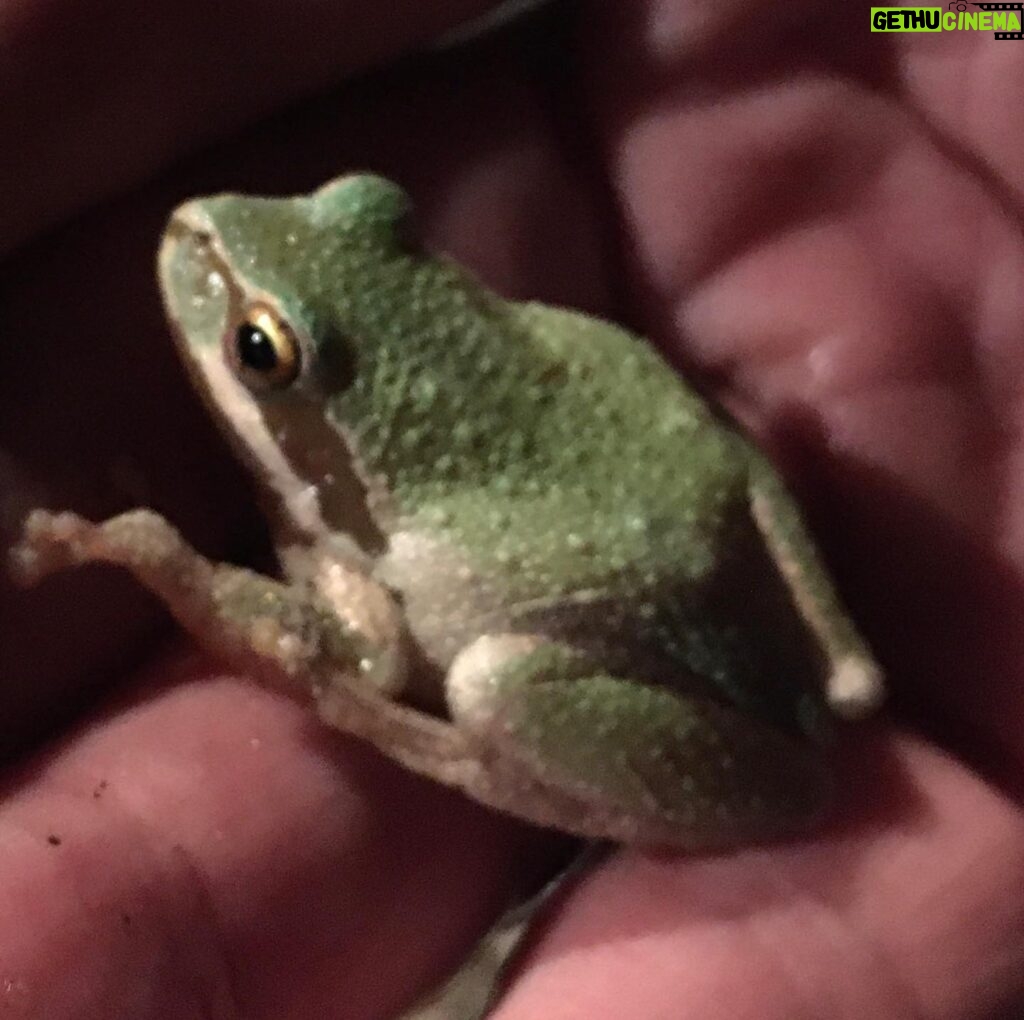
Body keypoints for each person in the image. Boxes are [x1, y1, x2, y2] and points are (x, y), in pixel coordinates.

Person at [2, 1, 1023, 1017]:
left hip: (650, 628)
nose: (205, 228)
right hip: (689, 514)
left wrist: (174, 565)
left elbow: (357, 657)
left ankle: (716, 717)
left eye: (260, 350)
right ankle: (834, 660)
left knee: (490, 687)